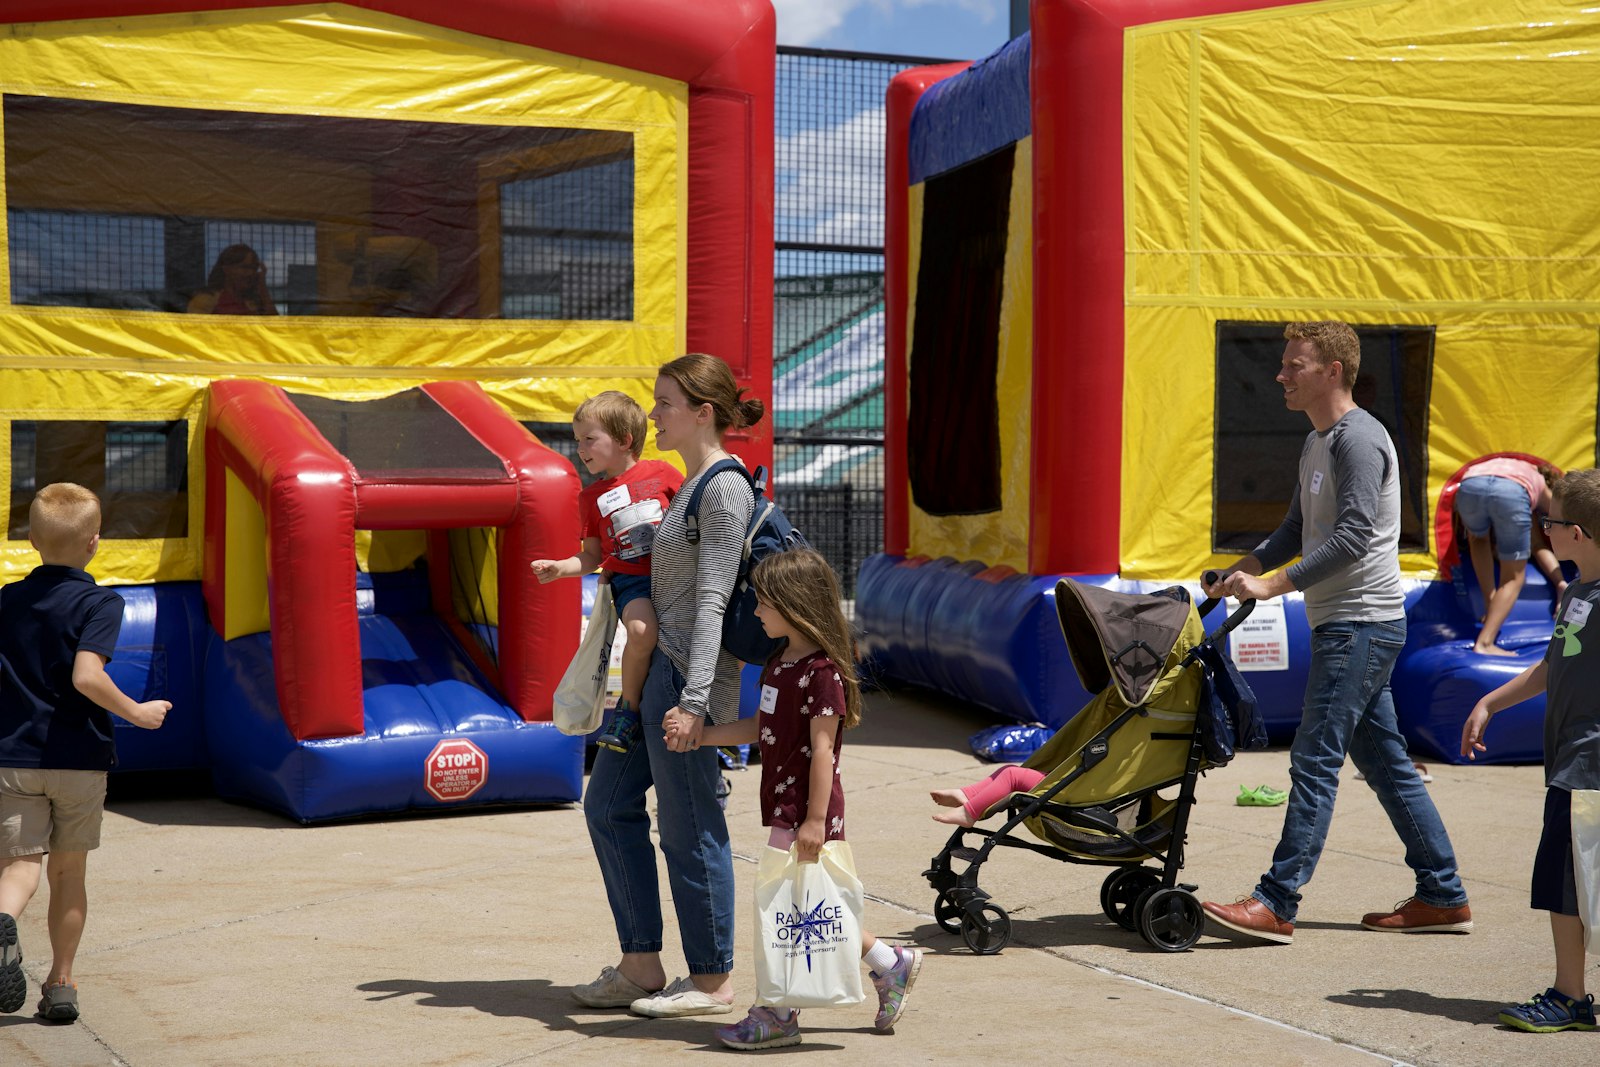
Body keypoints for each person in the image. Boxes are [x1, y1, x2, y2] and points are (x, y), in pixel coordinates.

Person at [1198, 320, 1471, 946]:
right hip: (1347, 624)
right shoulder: (1318, 440)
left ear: (1333, 372)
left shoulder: (1360, 439)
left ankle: (1276, 900)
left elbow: (1350, 539)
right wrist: (1248, 565)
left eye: (1295, 365)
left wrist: (1271, 587)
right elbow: (1297, 528)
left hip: (1360, 624)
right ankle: (1443, 894)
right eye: (1286, 364)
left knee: (1314, 756)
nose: (1281, 375)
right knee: (1387, 764)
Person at [572, 353, 761, 1019]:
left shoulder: (720, 488)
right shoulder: (684, 484)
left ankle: (711, 981)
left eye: (665, 402)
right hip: (657, 678)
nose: (653, 414)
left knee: (689, 828)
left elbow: (710, 602)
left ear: (702, 412)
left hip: (687, 681)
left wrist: (692, 702)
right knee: (606, 807)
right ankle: (642, 963)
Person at [675, 547, 922, 1049]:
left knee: (785, 909)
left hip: (807, 811)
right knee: (807, 909)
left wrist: (814, 820)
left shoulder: (823, 672)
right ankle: (889, 963)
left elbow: (824, 751)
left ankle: (778, 1012)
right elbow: (761, 726)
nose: (756, 612)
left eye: (764, 603)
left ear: (793, 603)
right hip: (787, 806)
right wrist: (703, 735)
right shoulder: (779, 662)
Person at [0, 483, 170, 1023]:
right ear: (95, 544)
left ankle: (1, 918)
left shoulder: (7, 599)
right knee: (68, 875)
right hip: (78, 758)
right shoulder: (101, 601)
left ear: (31, 539)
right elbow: (86, 676)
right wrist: (137, 712)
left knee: (19, 868)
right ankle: (62, 983)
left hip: (14, 756)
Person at [1460, 468, 1600, 1033]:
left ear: (1581, 534)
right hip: (1570, 757)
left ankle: (1570, 997)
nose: (1544, 531)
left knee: (1568, 880)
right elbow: (1551, 667)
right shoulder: (1574, 595)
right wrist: (1490, 702)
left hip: (1588, 764)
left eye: (1552, 522)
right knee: (1565, 877)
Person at [531, 391, 682, 753]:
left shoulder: (663, 473)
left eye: (588, 439)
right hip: (632, 582)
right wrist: (560, 568)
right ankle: (628, 710)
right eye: (577, 439)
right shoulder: (591, 497)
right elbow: (591, 557)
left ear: (624, 440)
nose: (580, 448)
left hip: (676, 576)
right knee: (642, 632)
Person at [1454, 456, 1562, 655]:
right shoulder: (1536, 480)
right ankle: (1485, 643)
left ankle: (1490, 604)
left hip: (1470, 485)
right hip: (1511, 492)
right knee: (1513, 577)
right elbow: (1557, 512)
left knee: (1478, 540)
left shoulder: (1504, 464)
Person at [930, 766, 1045, 827]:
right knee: (1007, 769)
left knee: (1012, 775)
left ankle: (968, 814)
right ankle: (968, 795)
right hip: (1057, 783)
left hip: (1059, 790)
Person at [187, 244, 278, 315]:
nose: (251, 273)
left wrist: (263, 289)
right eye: (244, 267)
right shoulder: (206, 300)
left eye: (254, 268)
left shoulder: (253, 302)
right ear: (226, 269)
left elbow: (275, 329)